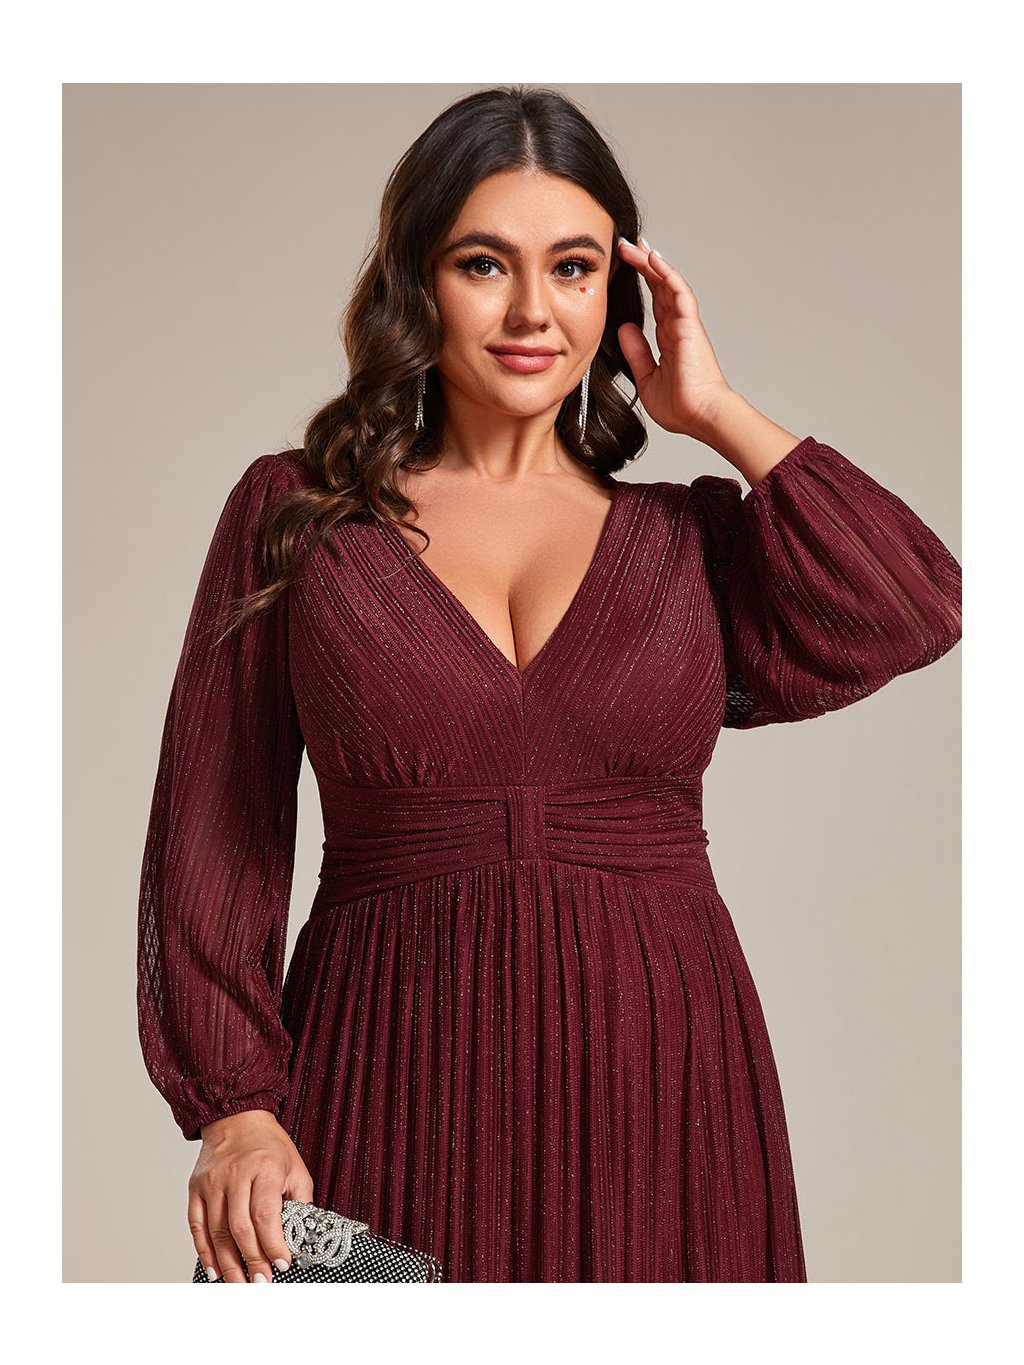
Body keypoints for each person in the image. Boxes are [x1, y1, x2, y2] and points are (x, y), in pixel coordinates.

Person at [136, 85, 962, 1284]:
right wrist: (235, 1108)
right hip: (379, 1067)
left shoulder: (688, 542)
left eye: (573, 267)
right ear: (418, 282)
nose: (533, 310)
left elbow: (914, 602)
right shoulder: (299, 520)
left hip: (666, 1081)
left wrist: (716, 412)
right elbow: (213, 829)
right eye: (484, 264)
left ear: (615, 291)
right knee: (360, 1314)